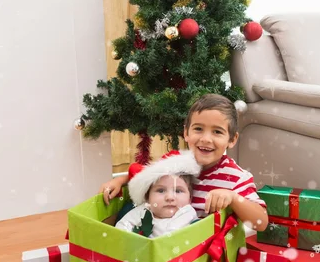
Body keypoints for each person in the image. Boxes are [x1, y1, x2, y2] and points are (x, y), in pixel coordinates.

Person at [102, 94, 268, 232]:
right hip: (161, 242)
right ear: (186, 133)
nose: (205, 139)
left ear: (232, 139)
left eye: (217, 132)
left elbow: (261, 223)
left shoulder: (235, 178)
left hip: (200, 256)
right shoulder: (175, 163)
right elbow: (147, 176)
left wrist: (233, 198)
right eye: (198, 129)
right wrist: (120, 180)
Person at [115, 151, 200, 238]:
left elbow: (171, 235)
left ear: (190, 198)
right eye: (161, 191)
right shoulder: (145, 209)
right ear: (148, 197)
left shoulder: (186, 212)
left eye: (178, 191)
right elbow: (123, 225)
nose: (170, 197)